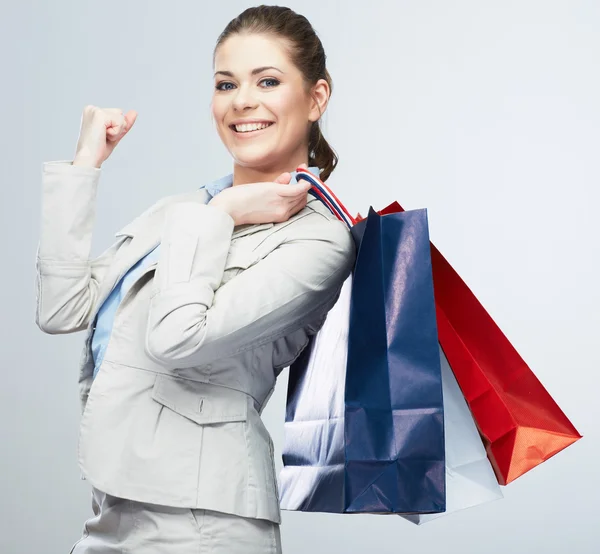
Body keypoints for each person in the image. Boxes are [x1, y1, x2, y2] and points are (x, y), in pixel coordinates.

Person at [35, 5, 355, 553]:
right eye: (226, 83)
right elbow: (62, 309)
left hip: (205, 521)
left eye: (268, 81)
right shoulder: (187, 207)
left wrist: (224, 212)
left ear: (317, 98)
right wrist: (85, 166)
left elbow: (177, 338)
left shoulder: (319, 240)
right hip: (113, 505)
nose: (242, 101)